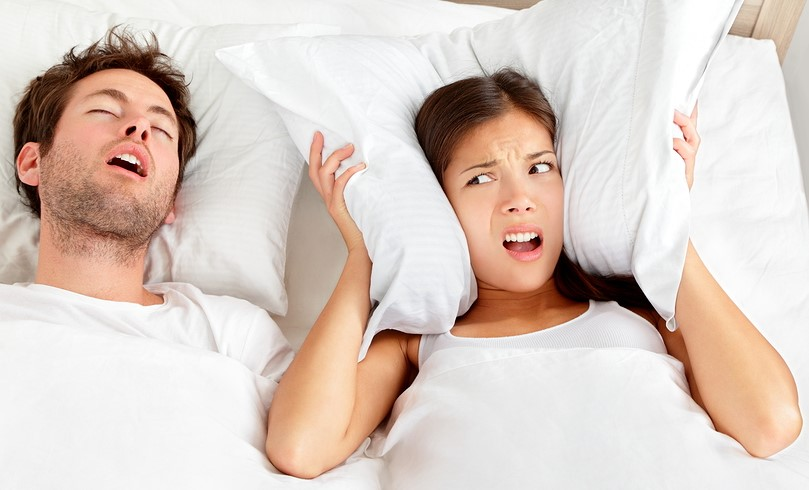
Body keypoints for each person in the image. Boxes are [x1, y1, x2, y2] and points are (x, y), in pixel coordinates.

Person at [265, 69, 802, 478]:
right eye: (480, 179)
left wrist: (666, 221)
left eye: (540, 167)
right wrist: (363, 253)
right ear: (439, 205)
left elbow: (770, 423)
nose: (519, 198)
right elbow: (301, 448)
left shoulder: (646, 318)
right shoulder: (415, 343)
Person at [5, 27, 292, 385]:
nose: (140, 126)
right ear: (33, 163)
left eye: (161, 129)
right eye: (104, 110)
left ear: (170, 201)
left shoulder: (235, 335)